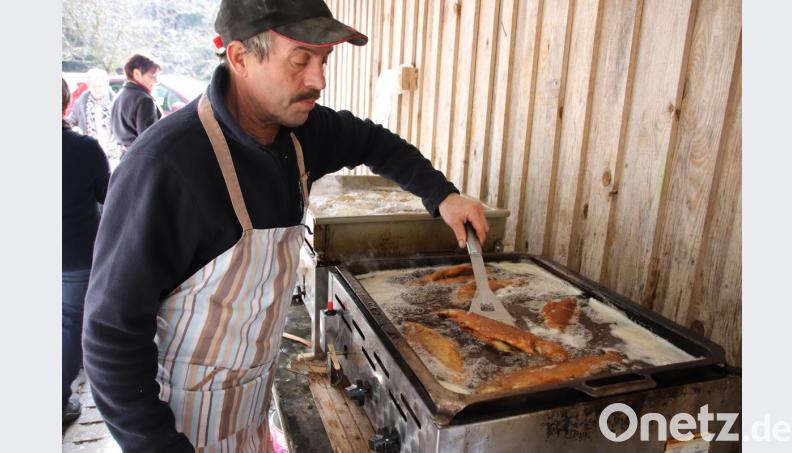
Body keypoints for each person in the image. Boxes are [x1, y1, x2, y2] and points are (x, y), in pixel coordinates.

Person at [83, 0, 489, 451]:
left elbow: (375, 141)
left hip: (253, 401)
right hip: (180, 423)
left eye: (324, 60)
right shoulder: (165, 168)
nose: (319, 80)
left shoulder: (302, 132)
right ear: (239, 58)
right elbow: (110, 337)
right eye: (301, 61)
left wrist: (443, 195)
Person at [61, 77, 110, 424]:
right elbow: (109, 195)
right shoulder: (84, 148)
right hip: (75, 252)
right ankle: (59, 399)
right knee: (67, 326)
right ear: (66, 103)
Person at [109, 53, 163, 152]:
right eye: (153, 76)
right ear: (137, 73)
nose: (157, 81)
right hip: (142, 162)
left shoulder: (120, 95)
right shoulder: (144, 100)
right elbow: (149, 142)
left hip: (125, 159)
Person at [68, 68, 115, 151]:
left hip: (112, 150)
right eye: (94, 86)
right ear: (88, 86)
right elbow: (70, 123)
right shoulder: (80, 104)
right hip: (88, 149)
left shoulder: (116, 102)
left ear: (106, 85)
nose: (97, 89)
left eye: (100, 86)